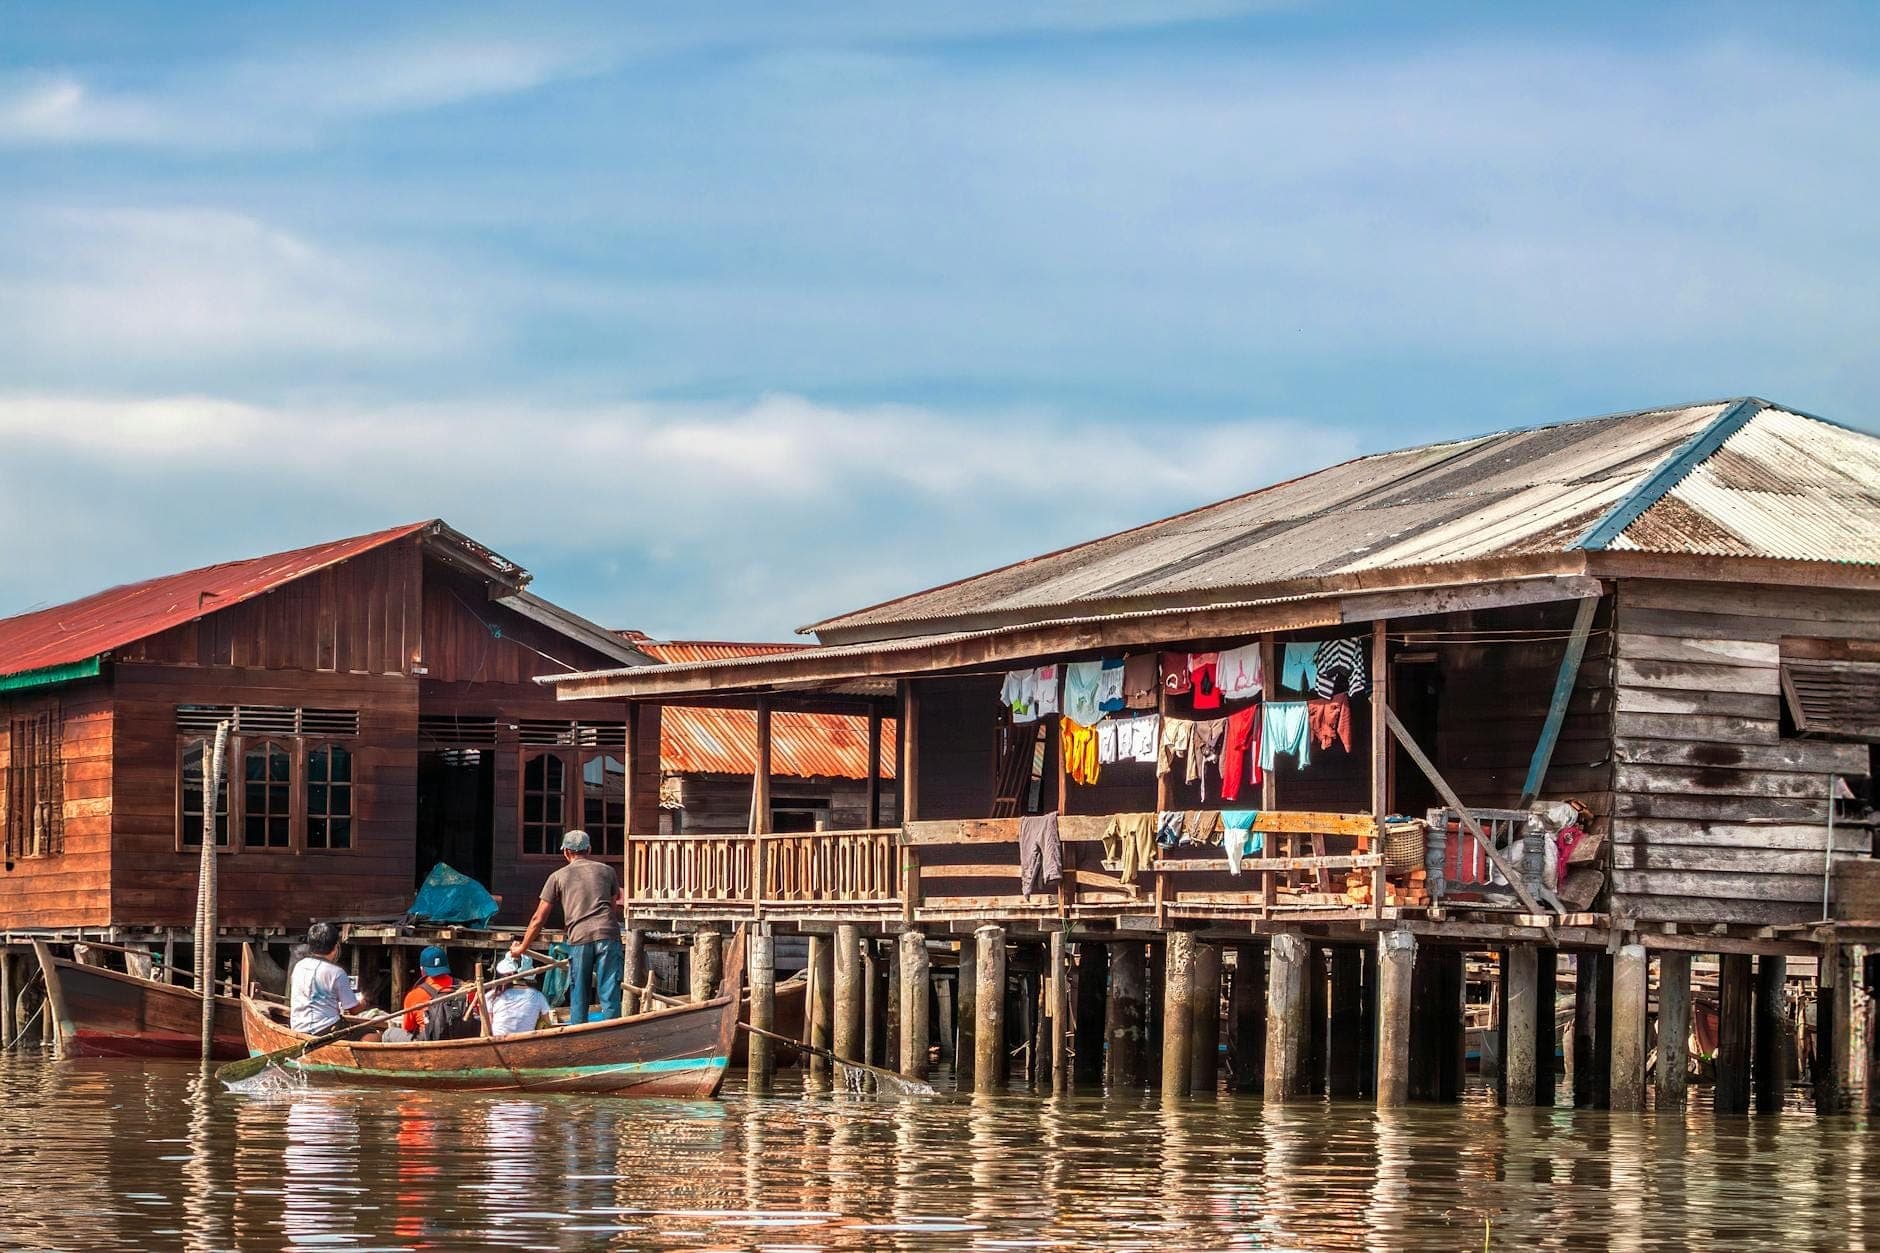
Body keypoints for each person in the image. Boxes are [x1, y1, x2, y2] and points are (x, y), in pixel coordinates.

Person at [510, 829, 622, 1023]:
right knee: (610, 991)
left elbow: (538, 918)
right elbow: (613, 907)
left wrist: (522, 947)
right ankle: (613, 1036)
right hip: (608, 934)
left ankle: (579, 1037)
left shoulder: (558, 876)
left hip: (579, 938)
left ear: (566, 852)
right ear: (589, 849)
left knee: (579, 992)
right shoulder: (607, 871)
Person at [290, 922, 361, 1035]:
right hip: (326, 1030)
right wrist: (365, 1002)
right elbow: (353, 1010)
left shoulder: (299, 966)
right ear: (335, 947)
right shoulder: (337, 973)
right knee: (373, 1035)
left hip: (298, 1027)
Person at [402, 945, 476, 1041]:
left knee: (388, 1033)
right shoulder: (467, 990)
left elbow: (408, 1028)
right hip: (464, 1041)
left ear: (422, 970)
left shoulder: (414, 996)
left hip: (429, 1044)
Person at [484, 954, 552, 1036]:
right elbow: (548, 1024)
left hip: (498, 1042)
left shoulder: (491, 995)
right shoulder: (538, 996)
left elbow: (487, 1027)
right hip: (526, 1043)